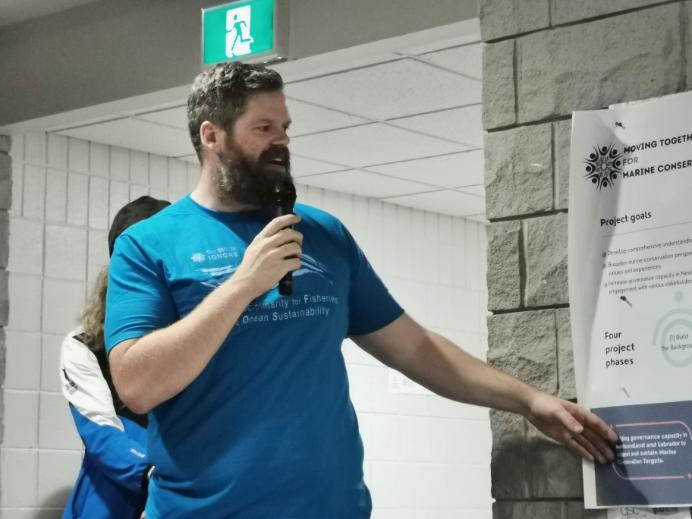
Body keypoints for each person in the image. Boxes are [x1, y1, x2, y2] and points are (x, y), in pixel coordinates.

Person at [104, 62, 618, 519]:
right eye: (263, 128)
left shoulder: (323, 234)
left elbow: (415, 348)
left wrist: (528, 401)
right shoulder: (148, 244)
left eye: (284, 127)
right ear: (212, 136)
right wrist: (243, 284)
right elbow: (137, 385)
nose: (281, 140)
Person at [60, 196, 170, 519]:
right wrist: (157, 477)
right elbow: (103, 433)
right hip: (112, 499)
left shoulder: (200, 333)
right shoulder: (83, 345)